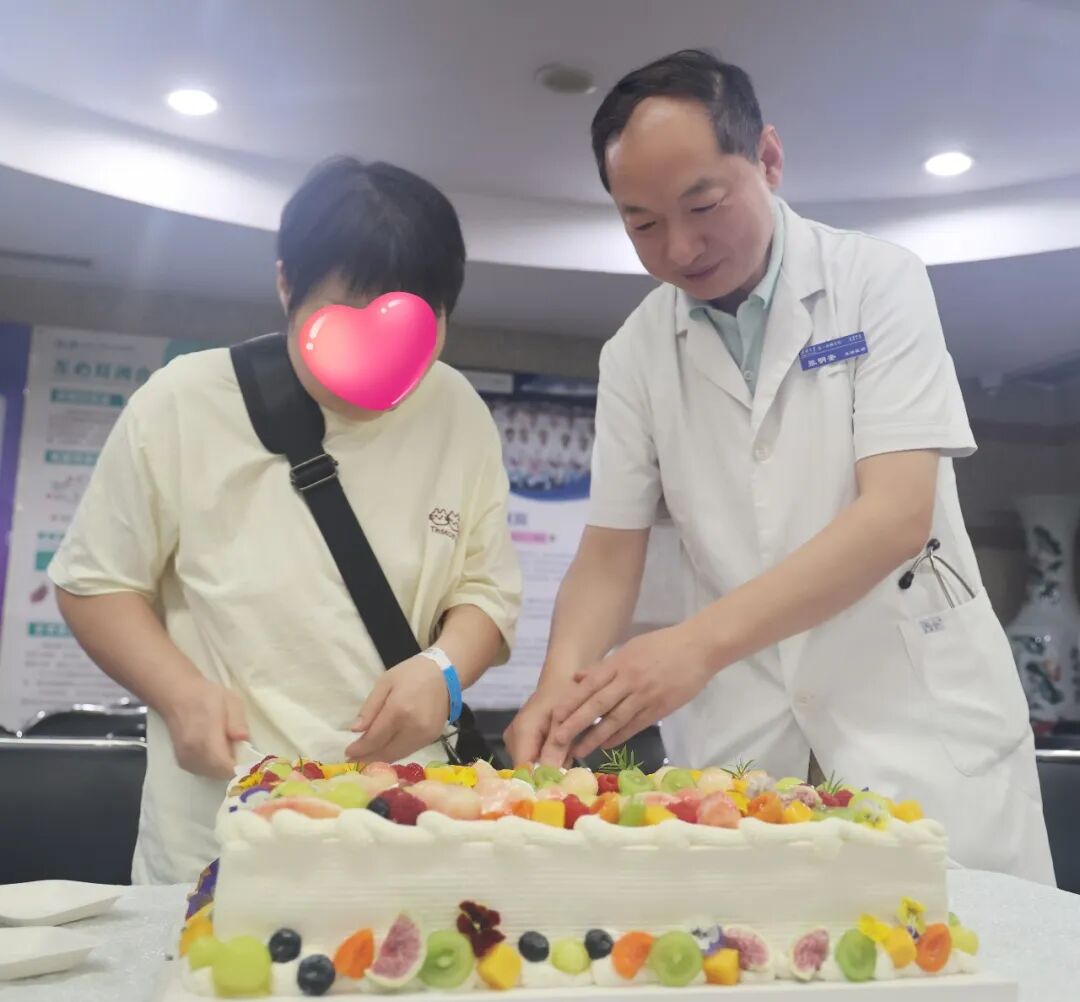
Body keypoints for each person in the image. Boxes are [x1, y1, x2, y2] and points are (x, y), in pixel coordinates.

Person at [504, 50, 1053, 883]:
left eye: (703, 205)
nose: (680, 246)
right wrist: (558, 686)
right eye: (642, 224)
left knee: (963, 941)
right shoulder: (636, 353)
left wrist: (694, 647)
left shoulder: (876, 282)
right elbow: (609, 551)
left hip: (913, 718)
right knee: (749, 940)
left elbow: (896, 515)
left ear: (766, 158)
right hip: (749, 735)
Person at [50, 157, 522, 883]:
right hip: (222, 830)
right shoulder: (183, 403)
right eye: (343, 323)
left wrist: (444, 671)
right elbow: (94, 583)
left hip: (410, 828)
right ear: (284, 286)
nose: (376, 363)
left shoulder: (457, 410)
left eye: (411, 331)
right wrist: (179, 692)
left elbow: (485, 593)